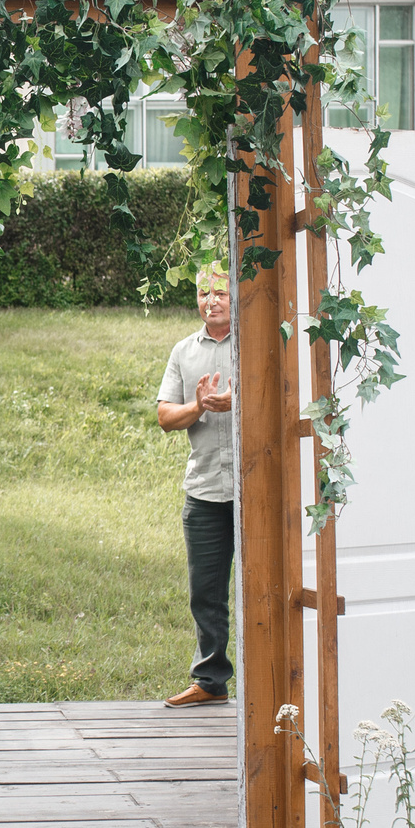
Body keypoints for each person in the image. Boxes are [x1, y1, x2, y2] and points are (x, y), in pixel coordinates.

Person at [156, 268, 235, 706]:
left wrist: (235, 403)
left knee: (263, 587)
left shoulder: (254, 343)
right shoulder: (184, 352)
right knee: (205, 592)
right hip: (204, 491)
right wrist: (200, 405)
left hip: (252, 491)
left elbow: (277, 400)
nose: (212, 300)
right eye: (204, 292)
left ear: (234, 294)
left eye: (220, 290)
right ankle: (210, 682)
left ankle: (271, 681)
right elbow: (166, 418)